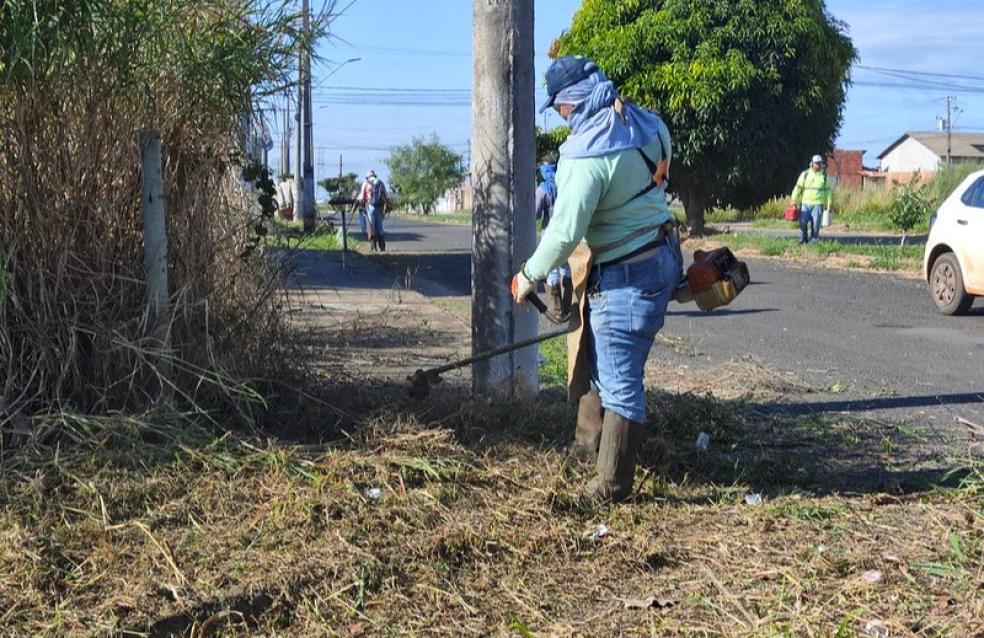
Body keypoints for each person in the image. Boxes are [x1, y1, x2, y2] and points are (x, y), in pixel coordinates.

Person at [511, 56, 678, 503]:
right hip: (663, 255)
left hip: (627, 276)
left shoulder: (587, 154)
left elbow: (564, 232)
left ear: (573, 101)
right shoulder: (647, 123)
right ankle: (589, 448)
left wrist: (529, 274)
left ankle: (611, 485)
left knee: (621, 382)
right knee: (607, 364)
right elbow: (660, 177)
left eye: (561, 108)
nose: (563, 117)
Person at [535, 159, 573, 318]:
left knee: (552, 269)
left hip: (550, 231)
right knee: (566, 267)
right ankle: (568, 306)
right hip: (567, 230)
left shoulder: (543, 189)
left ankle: (556, 310)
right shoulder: (566, 183)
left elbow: (535, 212)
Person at [790, 154, 833, 243]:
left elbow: (828, 192)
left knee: (816, 223)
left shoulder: (824, 176)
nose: (818, 165)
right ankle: (803, 238)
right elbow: (798, 187)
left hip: (818, 203)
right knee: (803, 222)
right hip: (805, 203)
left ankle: (814, 239)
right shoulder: (805, 174)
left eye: (820, 163)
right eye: (816, 163)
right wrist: (793, 199)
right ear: (812, 164)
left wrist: (829, 204)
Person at [359, 170, 389, 251]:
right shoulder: (380, 183)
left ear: (367, 177)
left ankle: (373, 246)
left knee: (371, 226)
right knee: (380, 226)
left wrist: (361, 205)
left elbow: (362, 197)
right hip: (380, 207)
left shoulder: (365, 183)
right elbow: (386, 195)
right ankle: (382, 247)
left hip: (370, 207)